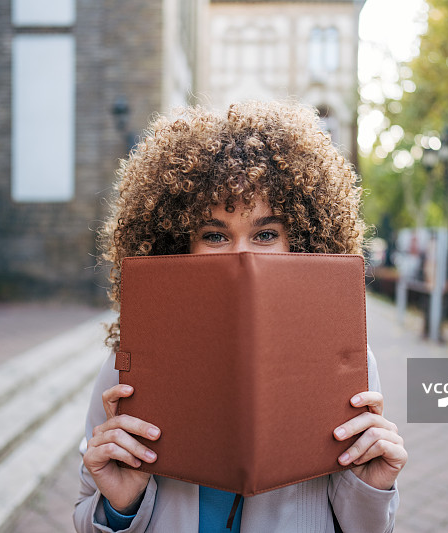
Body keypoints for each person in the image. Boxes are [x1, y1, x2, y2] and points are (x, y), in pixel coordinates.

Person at [74, 100, 406, 532]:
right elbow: (88, 514)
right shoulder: (128, 366)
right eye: (215, 235)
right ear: (178, 244)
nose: (242, 258)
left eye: (266, 234)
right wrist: (120, 505)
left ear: (301, 240)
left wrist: (370, 487)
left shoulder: (349, 365)